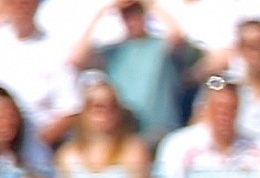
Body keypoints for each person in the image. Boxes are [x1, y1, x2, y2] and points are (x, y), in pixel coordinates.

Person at [74, 0, 199, 141]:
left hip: (160, 131)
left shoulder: (161, 46)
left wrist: (148, 4)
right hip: (125, 134)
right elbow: (77, 59)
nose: (131, 19)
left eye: (136, 12)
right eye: (126, 14)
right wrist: (102, 12)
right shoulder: (112, 51)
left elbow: (177, 36)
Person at [155, 76, 260, 178]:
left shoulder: (258, 149)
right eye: (219, 107)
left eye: (230, 108)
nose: (224, 114)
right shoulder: (178, 145)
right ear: (206, 108)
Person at [0, 0, 77, 141]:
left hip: (41, 146)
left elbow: (70, 109)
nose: (19, 5)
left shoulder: (56, 47)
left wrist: (34, 145)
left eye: (25, 1)